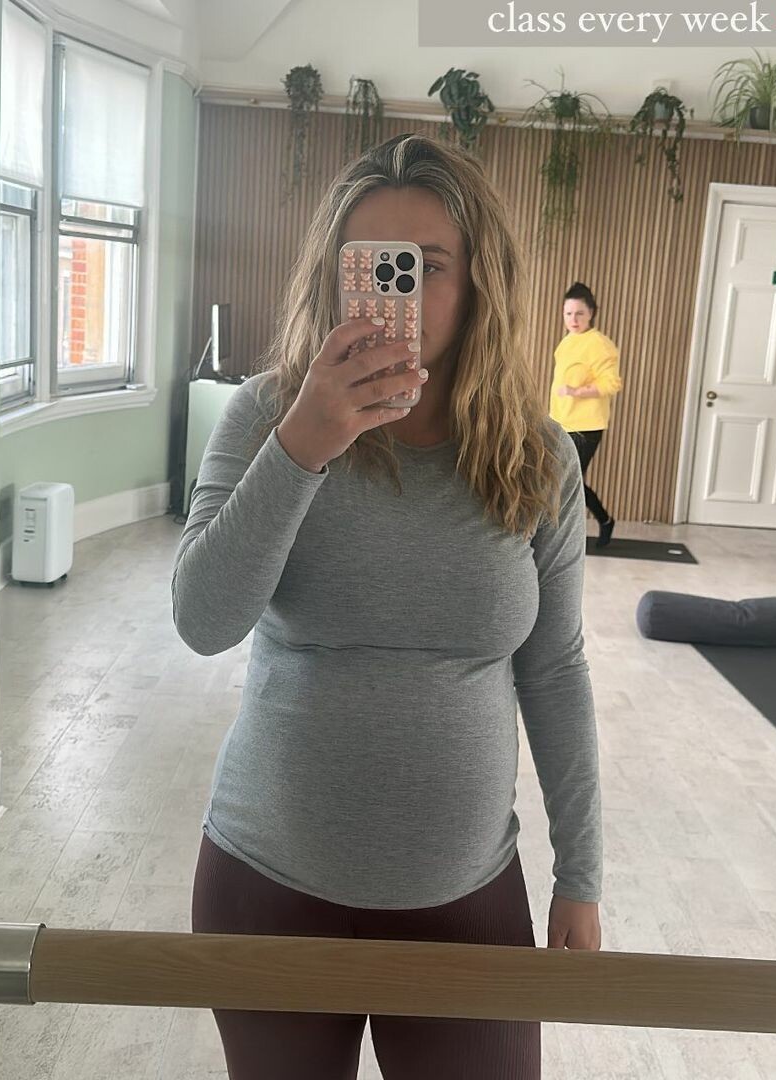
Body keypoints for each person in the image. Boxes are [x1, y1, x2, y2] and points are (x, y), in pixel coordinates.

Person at [172, 133, 603, 1080]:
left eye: (427, 265)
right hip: (266, 887)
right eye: (366, 264)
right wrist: (302, 447)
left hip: (467, 896)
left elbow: (556, 669)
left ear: (480, 281)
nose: (391, 291)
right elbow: (203, 622)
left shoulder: (536, 454)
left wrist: (581, 872)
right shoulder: (265, 416)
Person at [549, 282, 623, 548]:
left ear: (591, 313)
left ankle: (587, 527)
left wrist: (576, 391)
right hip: (561, 422)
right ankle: (601, 521)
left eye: (579, 313)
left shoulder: (600, 345)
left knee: (570, 481)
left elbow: (611, 383)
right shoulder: (566, 342)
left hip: (587, 425)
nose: (573, 319)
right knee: (562, 481)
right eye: (568, 313)